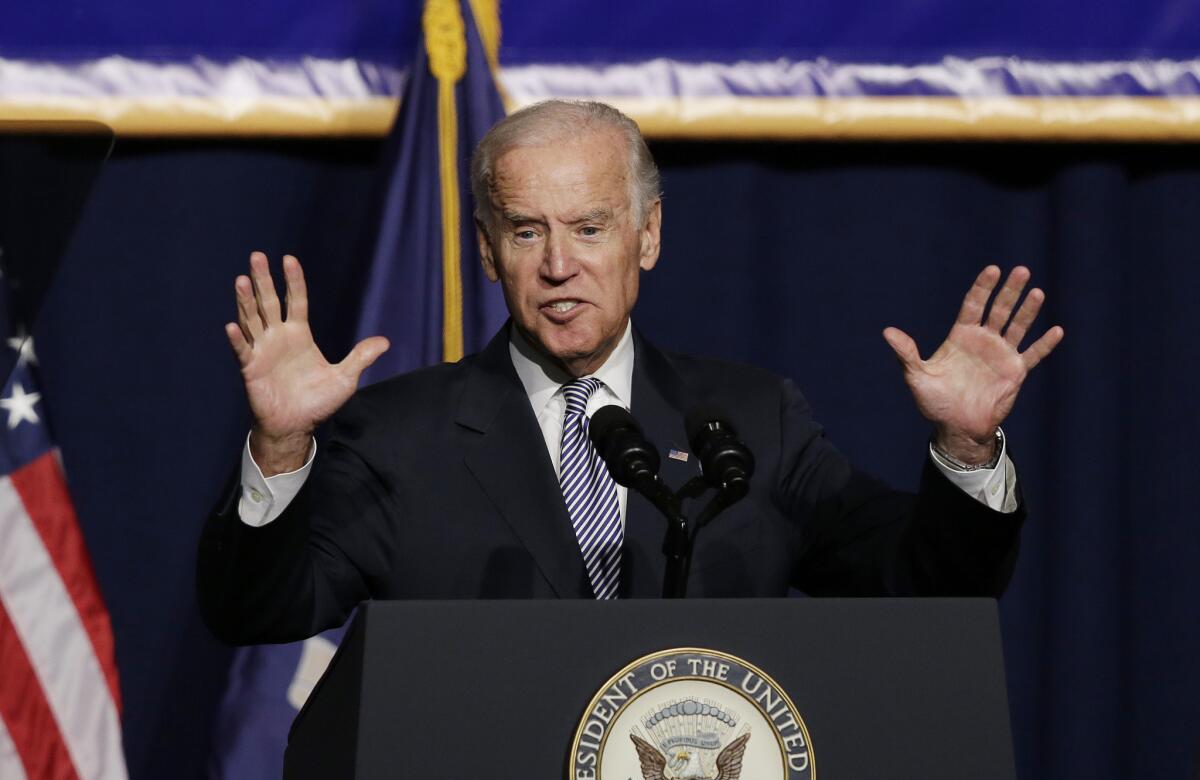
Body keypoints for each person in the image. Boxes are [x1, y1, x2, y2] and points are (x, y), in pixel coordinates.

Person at [198, 100, 1063, 646]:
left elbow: (927, 584)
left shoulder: (754, 420)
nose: (559, 264)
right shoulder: (394, 436)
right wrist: (279, 450)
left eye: (590, 227)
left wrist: (965, 448)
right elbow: (256, 614)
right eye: (528, 231)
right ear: (488, 252)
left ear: (648, 236)